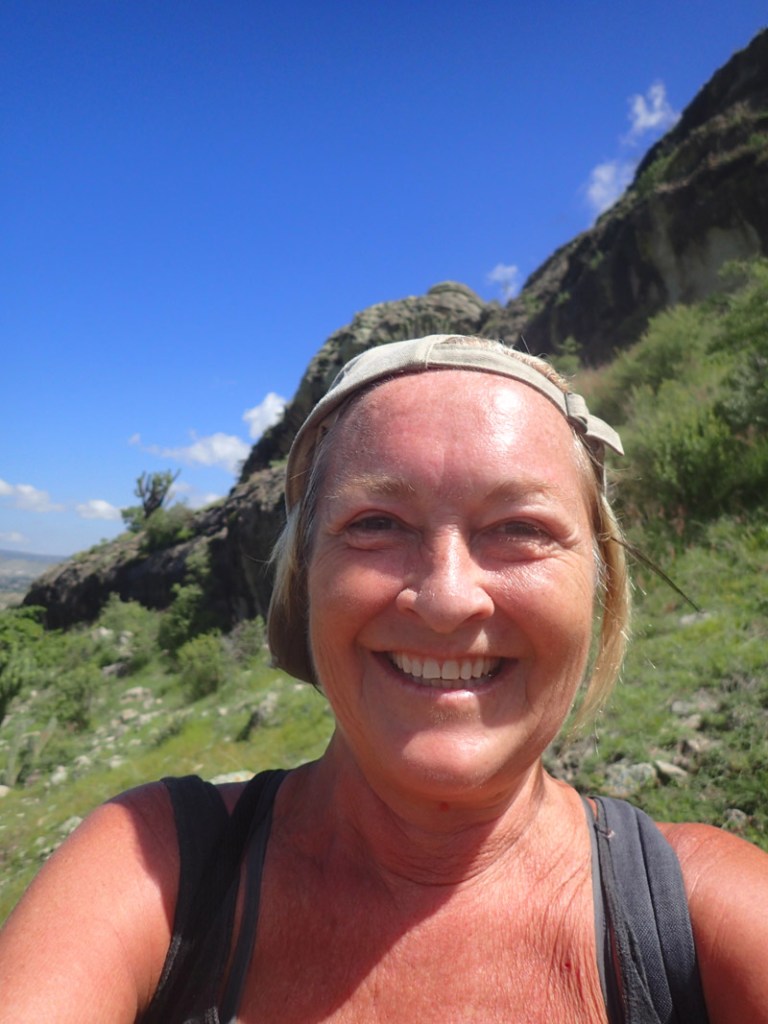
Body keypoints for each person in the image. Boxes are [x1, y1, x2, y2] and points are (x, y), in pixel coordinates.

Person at [1, 333, 767, 1024]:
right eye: (376, 524)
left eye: (520, 529)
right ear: (305, 580)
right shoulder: (155, 867)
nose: (446, 599)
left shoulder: (708, 916)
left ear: (597, 584)